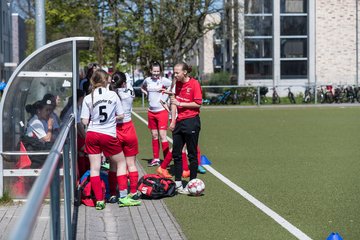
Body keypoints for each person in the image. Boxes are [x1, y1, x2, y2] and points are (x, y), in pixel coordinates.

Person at [80, 69, 141, 210]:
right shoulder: (112, 95)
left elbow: (84, 120)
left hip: (92, 134)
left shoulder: (88, 98)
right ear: (105, 80)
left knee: (94, 168)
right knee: (121, 162)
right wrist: (109, 119)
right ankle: (124, 197)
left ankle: (100, 200)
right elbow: (120, 115)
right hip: (108, 134)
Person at [170, 62, 202, 194]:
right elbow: (173, 103)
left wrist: (180, 103)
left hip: (191, 121)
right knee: (176, 154)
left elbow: (198, 104)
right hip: (179, 121)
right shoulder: (176, 83)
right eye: (174, 72)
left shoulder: (194, 84)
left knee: (192, 154)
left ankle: (192, 183)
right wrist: (172, 120)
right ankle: (178, 183)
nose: (175, 75)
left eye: (177, 72)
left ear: (184, 72)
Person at [107, 71, 140, 202]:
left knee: (114, 165)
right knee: (131, 163)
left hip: (115, 130)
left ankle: (114, 193)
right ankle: (133, 191)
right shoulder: (130, 93)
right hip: (129, 128)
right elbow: (128, 85)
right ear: (124, 83)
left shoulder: (111, 95)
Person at [141, 61, 173, 167]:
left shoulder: (163, 80)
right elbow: (143, 87)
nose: (156, 73)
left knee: (162, 135)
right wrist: (147, 94)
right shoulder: (147, 80)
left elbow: (172, 86)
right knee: (154, 135)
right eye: (154, 71)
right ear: (150, 71)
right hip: (151, 112)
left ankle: (166, 160)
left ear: (160, 71)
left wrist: (164, 97)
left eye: (158, 71)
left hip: (161, 112)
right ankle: (156, 159)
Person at [60, 89, 88, 177]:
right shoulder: (74, 108)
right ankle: (85, 172)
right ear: (81, 98)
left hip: (72, 134)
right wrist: (87, 138)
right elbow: (79, 125)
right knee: (87, 148)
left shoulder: (77, 106)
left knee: (82, 150)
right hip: (68, 136)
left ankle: (82, 173)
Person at [24, 99, 55, 168]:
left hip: (36, 151)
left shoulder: (38, 121)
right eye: (46, 110)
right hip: (35, 154)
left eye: (49, 110)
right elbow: (47, 139)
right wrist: (50, 126)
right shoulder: (36, 122)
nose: (49, 112)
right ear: (39, 111)